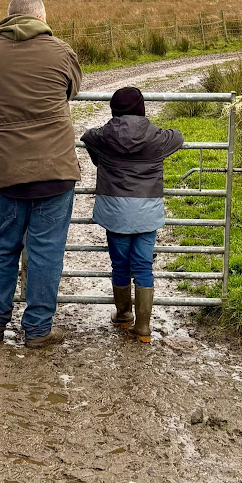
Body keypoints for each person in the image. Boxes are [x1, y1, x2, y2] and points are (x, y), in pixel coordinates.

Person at [0, 0, 81, 349]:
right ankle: (38, 329)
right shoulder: (62, 52)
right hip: (55, 167)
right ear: (41, 17)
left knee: (4, 244)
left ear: (8, 17)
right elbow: (72, 90)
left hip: (7, 169)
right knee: (47, 249)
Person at [81, 87, 184, 344]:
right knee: (143, 265)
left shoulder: (103, 137)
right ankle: (144, 327)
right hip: (147, 211)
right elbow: (178, 138)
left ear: (113, 109)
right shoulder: (156, 137)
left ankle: (124, 313)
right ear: (142, 108)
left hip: (115, 212)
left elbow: (87, 136)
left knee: (120, 265)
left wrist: (101, 159)